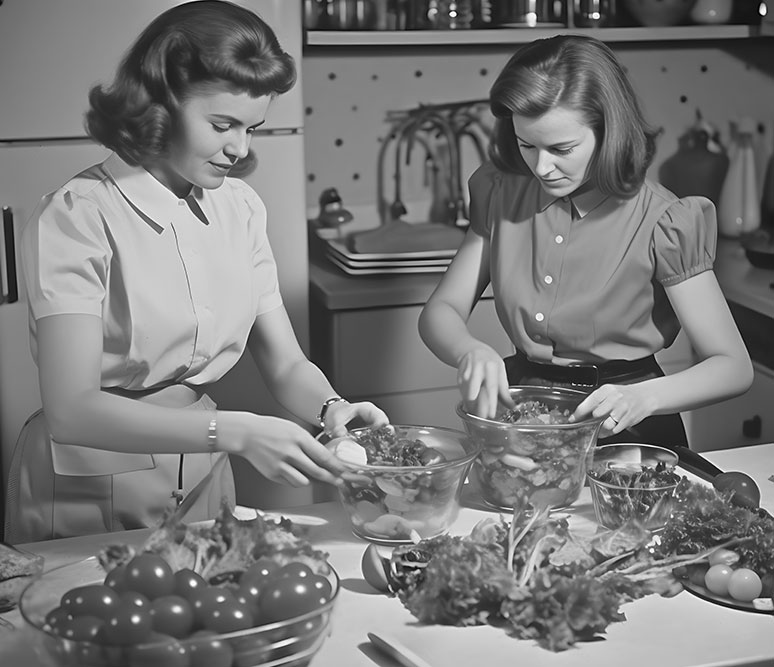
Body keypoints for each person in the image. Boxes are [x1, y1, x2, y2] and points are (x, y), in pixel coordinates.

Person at [4, 0, 387, 543]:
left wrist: (332, 409)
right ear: (159, 104)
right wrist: (234, 431)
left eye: (252, 127)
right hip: (88, 480)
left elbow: (285, 364)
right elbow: (71, 409)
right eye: (222, 124)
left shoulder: (241, 208)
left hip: (202, 468)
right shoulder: (78, 216)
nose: (240, 148)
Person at [418, 35, 752, 451]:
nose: (541, 167)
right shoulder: (502, 192)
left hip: (628, 429)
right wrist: (468, 350)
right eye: (527, 145)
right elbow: (440, 311)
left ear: (608, 131)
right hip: (526, 417)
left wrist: (643, 398)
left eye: (562, 149)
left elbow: (733, 367)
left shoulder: (665, 220)